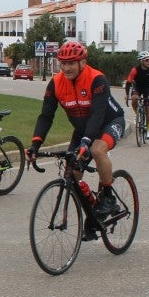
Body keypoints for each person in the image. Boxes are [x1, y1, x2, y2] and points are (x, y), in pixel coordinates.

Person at [28, 41, 125, 231]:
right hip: (82, 130)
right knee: (72, 175)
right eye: (63, 63)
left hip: (109, 122)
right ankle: (93, 212)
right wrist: (35, 144)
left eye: (71, 63)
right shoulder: (55, 83)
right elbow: (46, 116)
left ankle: (107, 196)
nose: (66, 68)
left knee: (97, 150)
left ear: (83, 62)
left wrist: (86, 142)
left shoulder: (97, 79)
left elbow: (97, 114)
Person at [124, 49, 149, 139]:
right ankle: (137, 113)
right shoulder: (135, 70)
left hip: (148, 88)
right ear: (141, 61)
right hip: (137, 87)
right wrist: (127, 94)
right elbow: (128, 82)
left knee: (148, 108)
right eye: (147, 60)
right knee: (135, 98)